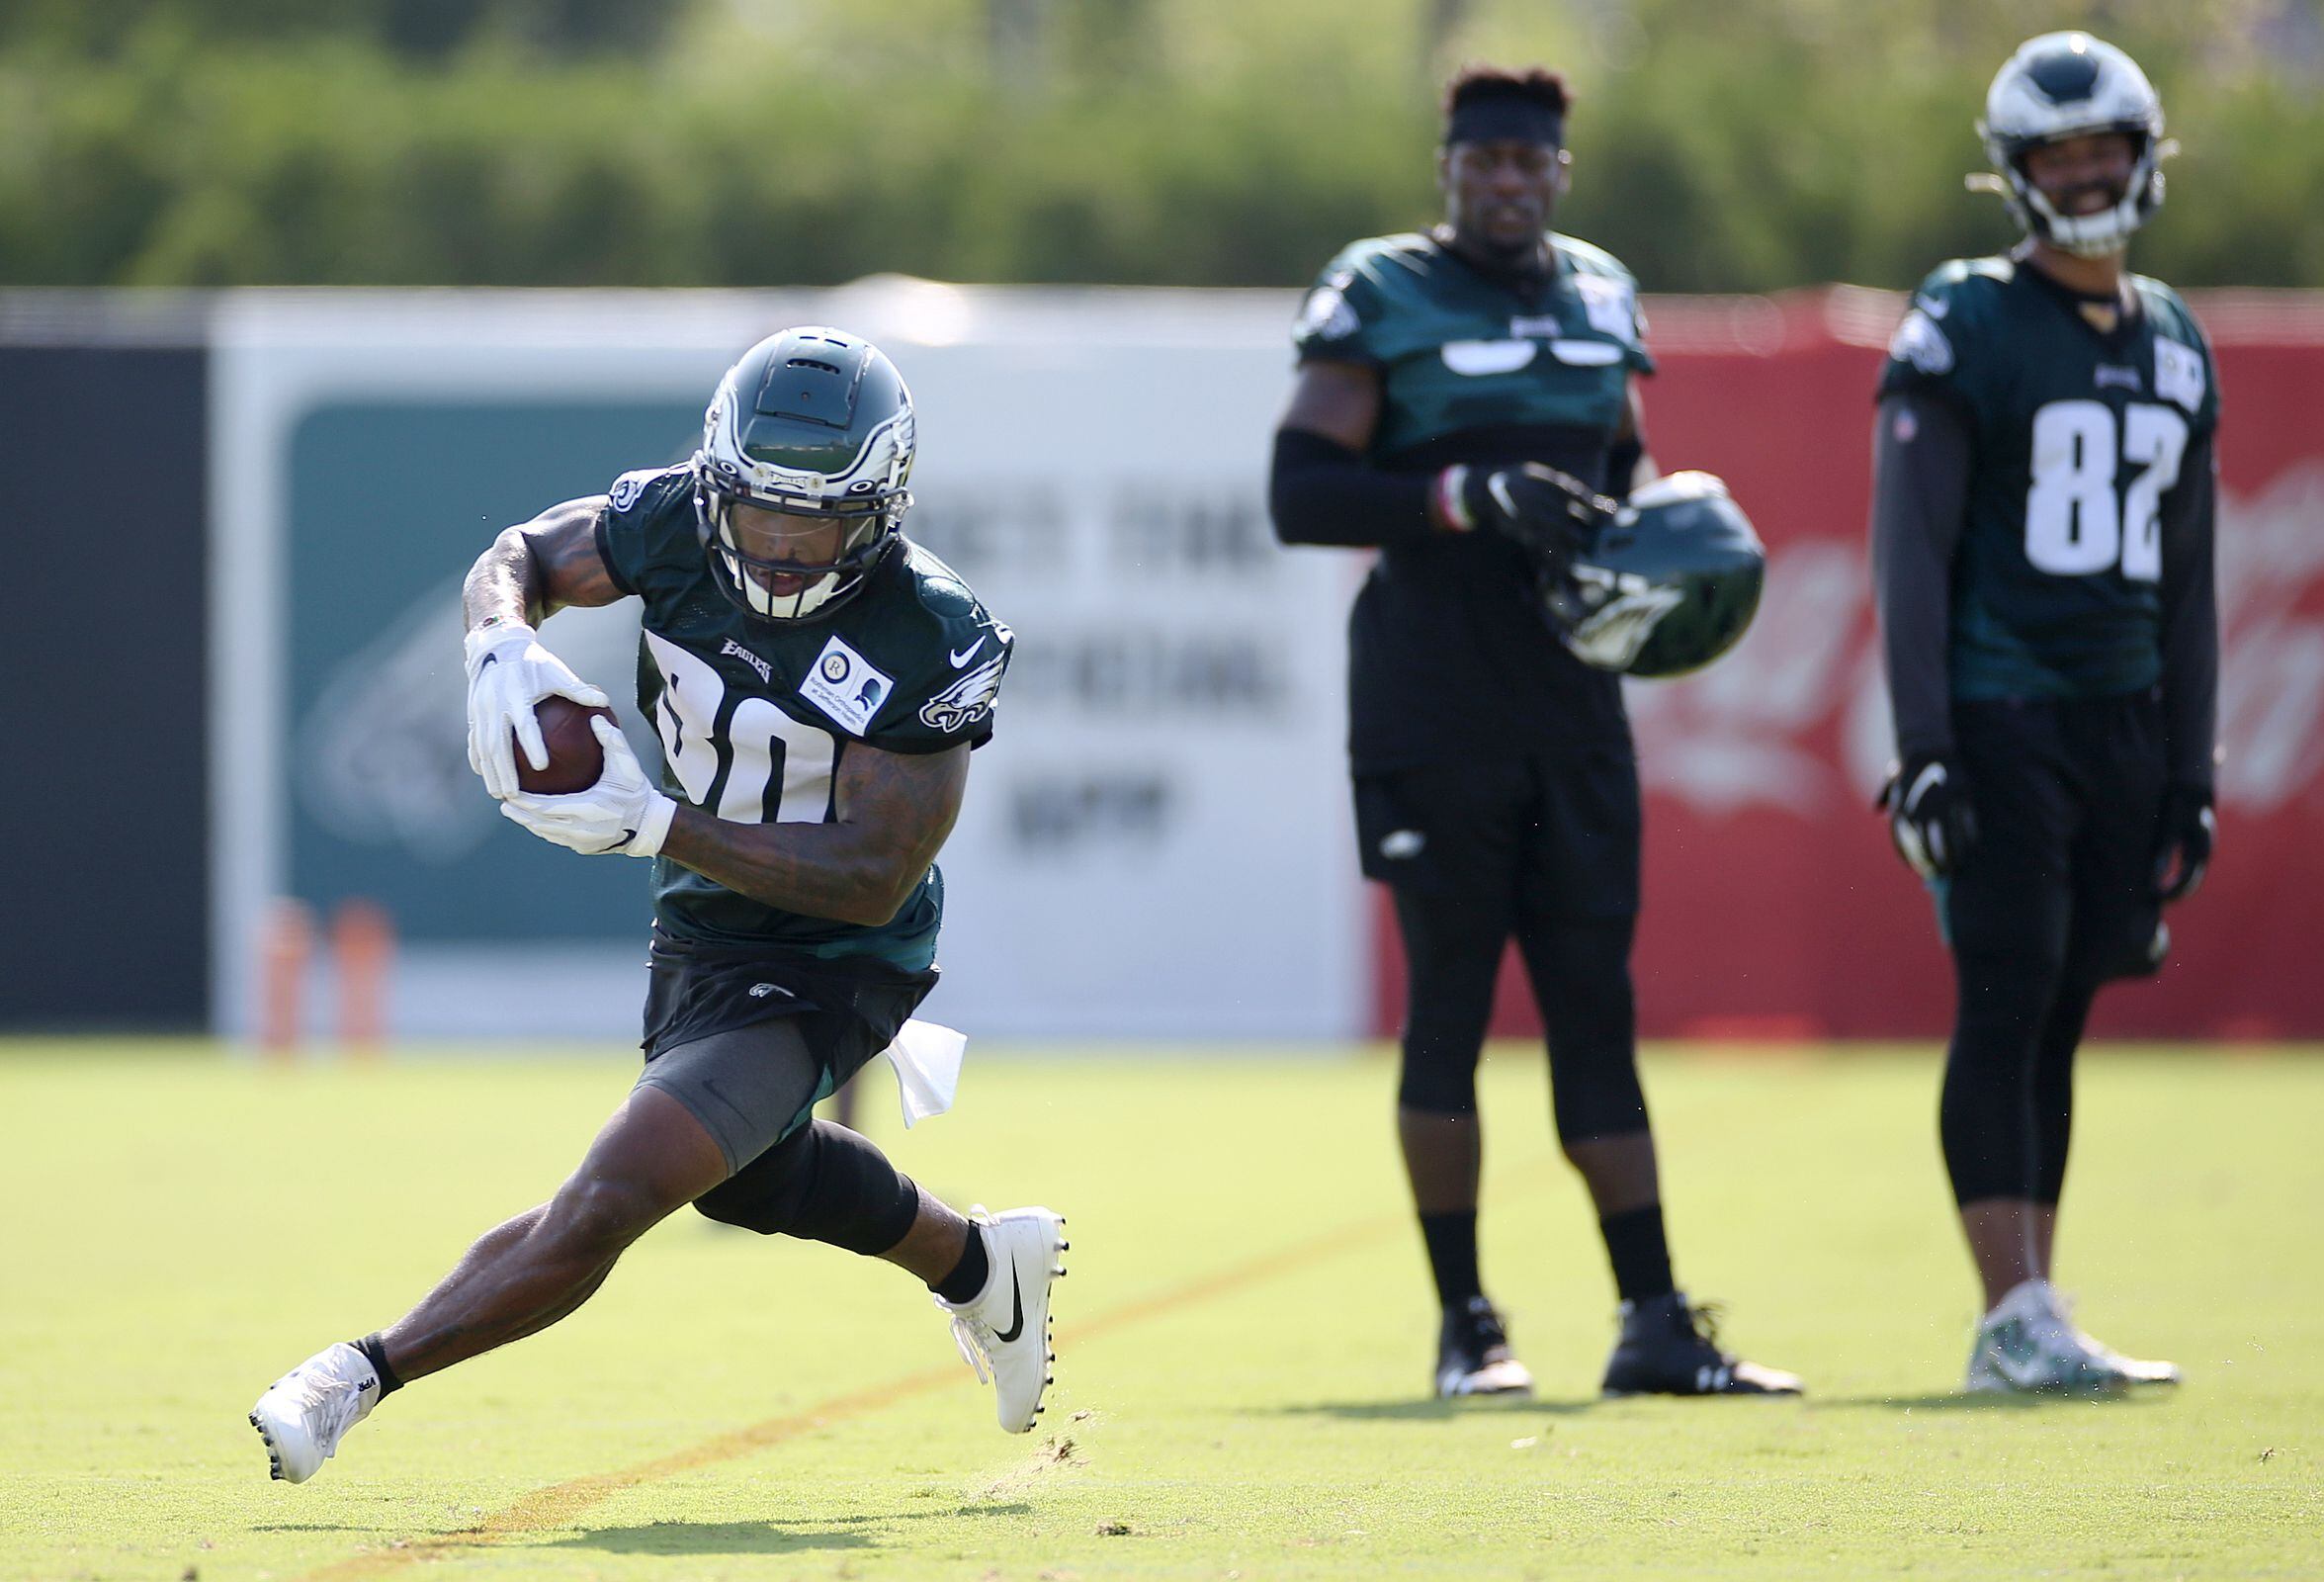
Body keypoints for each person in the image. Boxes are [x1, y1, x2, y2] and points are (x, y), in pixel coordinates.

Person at [250, 327, 1065, 1482]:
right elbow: (520, 554)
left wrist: (655, 823)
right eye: (758, 513)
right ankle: (983, 1267)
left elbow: (871, 871)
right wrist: (498, 643)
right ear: (718, 484)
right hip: (700, 920)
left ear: (879, 513)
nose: (778, 549)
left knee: (615, 1192)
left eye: (813, 523)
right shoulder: (675, 521)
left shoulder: (928, 632)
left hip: (840, 950)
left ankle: (354, 1375)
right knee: (750, 1178)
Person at [1267, 63, 1799, 1401]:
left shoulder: (1600, 293)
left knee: (1595, 1010)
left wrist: (1664, 533)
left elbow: (1623, 466)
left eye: (1529, 161)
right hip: (1432, 702)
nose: (1507, 181)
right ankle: (1468, 1325)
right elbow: (1300, 490)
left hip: (1571, 705)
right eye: (1485, 159)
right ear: (1447, 167)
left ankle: (1654, 1321)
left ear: (1561, 171)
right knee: (1449, 1007)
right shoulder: (1382, 289)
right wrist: (1461, 493)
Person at [1872, 33, 2219, 1394]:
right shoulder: (1968, 317)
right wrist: (1925, 746)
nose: (2082, 176)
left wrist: (2190, 765)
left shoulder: (2174, 336)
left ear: (2142, 157)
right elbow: (1909, 548)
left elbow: (2190, 577)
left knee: (2064, 1005)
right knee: (2007, 996)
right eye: (2055, 156)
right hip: (2001, 707)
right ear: (2014, 173)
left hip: (2121, 715)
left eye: (2101, 150)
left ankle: (2036, 1307)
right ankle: (2006, 1310)